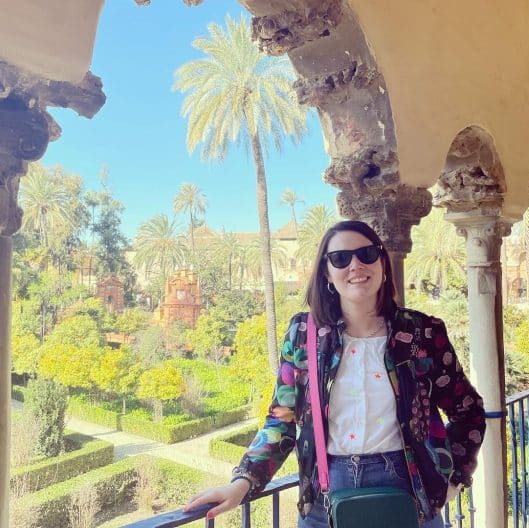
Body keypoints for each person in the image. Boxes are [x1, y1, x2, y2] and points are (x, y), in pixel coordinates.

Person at [185, 220, 485, 527]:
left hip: (409, 491)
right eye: (341, 258)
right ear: (327, 273)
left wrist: (454, 479)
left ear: (382, 263)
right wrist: (243, 482)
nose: (355, 265)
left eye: (366, 254)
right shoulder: (304, 334)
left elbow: (467, 410)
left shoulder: (421, 333)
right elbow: (281, 419)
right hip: (324, 499)